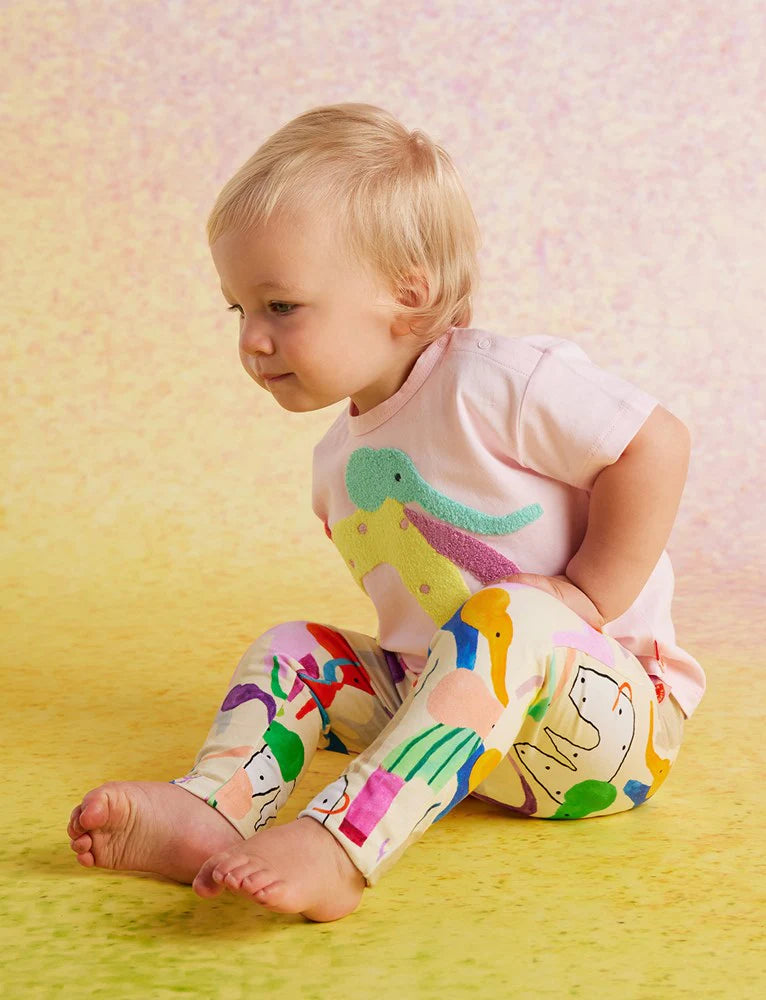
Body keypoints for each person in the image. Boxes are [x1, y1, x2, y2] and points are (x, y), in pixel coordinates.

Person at [67, 102, 705, 923]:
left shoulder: (497, 382)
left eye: (281, 307)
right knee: (291, 648)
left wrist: (587, 597)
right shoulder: (337, 464)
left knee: (517, 615)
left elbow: (656, 443)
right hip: (463, 727)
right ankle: (213, 808)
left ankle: (344, 843)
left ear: (409, 293)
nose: (251, 341)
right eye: (239, 310)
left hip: (606, 731)